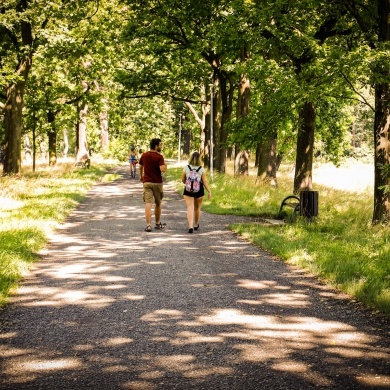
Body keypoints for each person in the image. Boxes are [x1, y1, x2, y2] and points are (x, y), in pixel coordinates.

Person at [139, 138, 167, 232]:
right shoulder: (159, 156)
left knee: (148, 203)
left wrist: (141, 176)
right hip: (157, 183)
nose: (161, 146)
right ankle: (158, 223)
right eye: (160, 144)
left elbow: (140, 166)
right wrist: (165, 165)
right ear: (156, 146)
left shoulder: (144, 155)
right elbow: (162, 169)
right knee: (158, 203)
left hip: (147, 182)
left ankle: (148, 225)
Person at [181, 151, 211, 233]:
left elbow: (183, 180)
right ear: (199, 159)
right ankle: (196, 224)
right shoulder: (201, 169)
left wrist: (188, 183)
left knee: (190, 207)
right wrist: (209, 191)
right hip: (199, 190)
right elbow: (204, 181)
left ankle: (190, 226)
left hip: (188, 190)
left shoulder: (186, 168)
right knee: (197, 208)